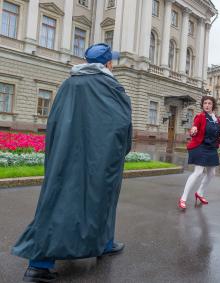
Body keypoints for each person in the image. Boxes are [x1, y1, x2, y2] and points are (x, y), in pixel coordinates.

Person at [11, 43, 132, 282]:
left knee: (59, 198)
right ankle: (37, 266)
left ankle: (104, 243)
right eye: (112, 62)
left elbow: (54, 122)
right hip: (100, 159)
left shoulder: (68, 84)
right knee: (102, 199)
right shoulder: (112, 87)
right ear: (108, 64)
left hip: (66, 155)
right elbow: (122, 126)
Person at [179, 96, 220, 210]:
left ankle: (199, 193)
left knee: (212, 173)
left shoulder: (217, 119)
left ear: (213, 105)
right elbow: (194, 129)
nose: (207, 105)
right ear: (203, 105)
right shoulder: (200, 117)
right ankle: (183, 198)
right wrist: (193, 131)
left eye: (209, 103)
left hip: (212, 148)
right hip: (201, 146)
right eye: (205, 103)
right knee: (198, 172)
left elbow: (217, 134)